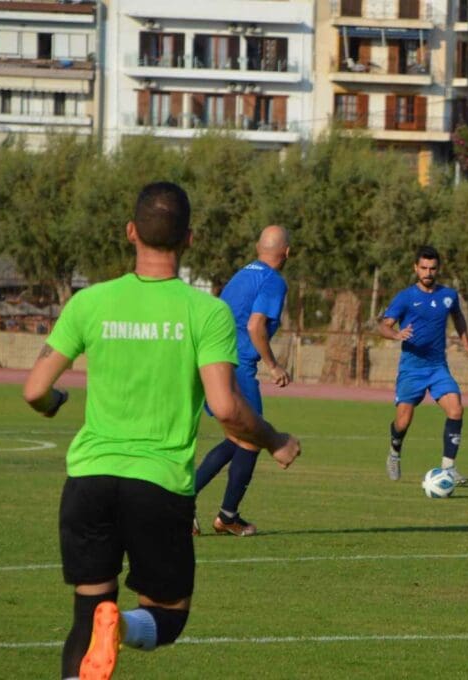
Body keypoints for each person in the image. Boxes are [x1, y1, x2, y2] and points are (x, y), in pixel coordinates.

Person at [22, 182, 301, 680]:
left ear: (131, 231)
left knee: (87, 614)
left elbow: (35, 390)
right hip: (157, 485)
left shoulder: (91, 302)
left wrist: (53, 404)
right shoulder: (206, 312)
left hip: (89, 480)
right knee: (167, 616)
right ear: (189, 239)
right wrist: (276, 440)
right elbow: (226, 408)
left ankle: (104, 625)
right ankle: (121, 627)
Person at [193, 225, 291, 537]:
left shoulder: (241, 275)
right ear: (287, 252)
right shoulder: (273, 280)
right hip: (236, 368)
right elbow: (255, 326)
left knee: (236, 440)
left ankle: (187, 506)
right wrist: (273, 365)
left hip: (212, 362)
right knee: (252, 437)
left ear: (258, 248)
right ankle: (227, 516)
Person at [379, 245, 468, 484]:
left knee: (456, 409)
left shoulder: (448, 295)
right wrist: (396, 335)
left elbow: (458, 317)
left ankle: (449, 468)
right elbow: (384, 325)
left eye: (432, 268)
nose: (428, 272)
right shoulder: (405, 297)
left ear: (438, 269)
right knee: (403, 422)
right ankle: (394, 452)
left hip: (437, 367)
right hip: (411, 369)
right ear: (416, 268)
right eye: (423, 268)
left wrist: (467, 343)